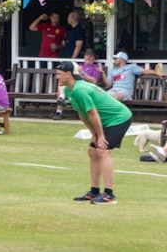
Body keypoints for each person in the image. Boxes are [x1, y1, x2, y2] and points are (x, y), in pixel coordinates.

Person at [55, 61, 132, 205]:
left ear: (68, 74)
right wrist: (93, 133)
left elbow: (92, 113)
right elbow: (82, 114)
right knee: (92, 151)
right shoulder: (69, 90)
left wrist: (100, 135)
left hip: (119, 118)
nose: (57, 77)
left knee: (102, 151)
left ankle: (109, 195)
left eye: (59, 74)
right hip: (105, 121)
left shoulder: (80, 90)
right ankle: (94, 191)